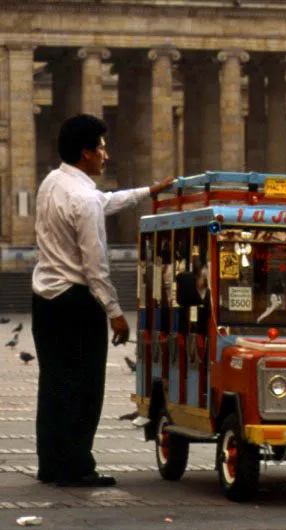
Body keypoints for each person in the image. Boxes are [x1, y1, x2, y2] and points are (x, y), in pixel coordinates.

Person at [32, 114, 174, 487]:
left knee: (54, 384)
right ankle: (78, 465)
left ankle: (51, 464)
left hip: (45, 300)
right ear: (86, 153)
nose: (105, 156)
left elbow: (105, 200)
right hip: (77, 302)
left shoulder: (53, 183)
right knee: (85, 386)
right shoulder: (83, 199)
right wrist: (115, 312)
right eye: (102, 148)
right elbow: (96, 266)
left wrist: (148, 192)